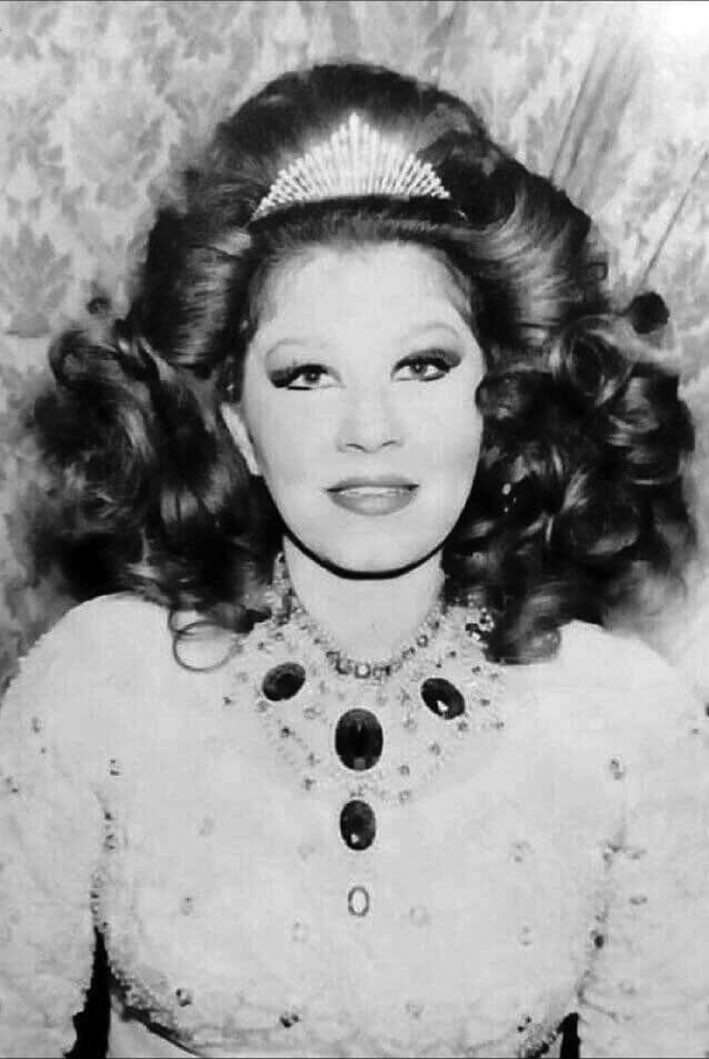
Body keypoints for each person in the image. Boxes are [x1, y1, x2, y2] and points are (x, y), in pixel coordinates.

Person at [0, 60, 707, 1059]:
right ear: (236, 422)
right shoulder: (100, 684)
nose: (368, 429)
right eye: (307, 375)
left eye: (422, 365)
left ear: (498, 396)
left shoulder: (625, 723)